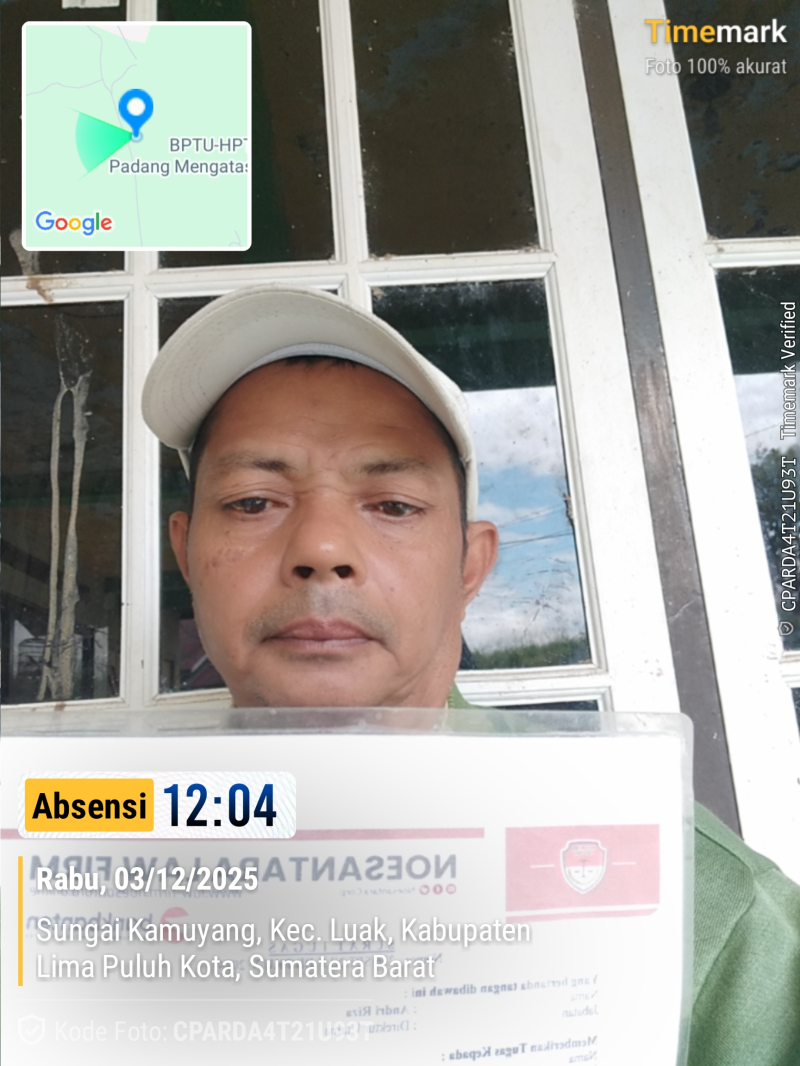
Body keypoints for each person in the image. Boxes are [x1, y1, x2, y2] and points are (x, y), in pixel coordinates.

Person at [143, 286, 800, 1066]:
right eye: (254, 501)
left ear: (470, 566)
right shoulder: (73, 858)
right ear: (186, 554)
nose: (320, 548)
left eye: (392, 505)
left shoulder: (706, 910)